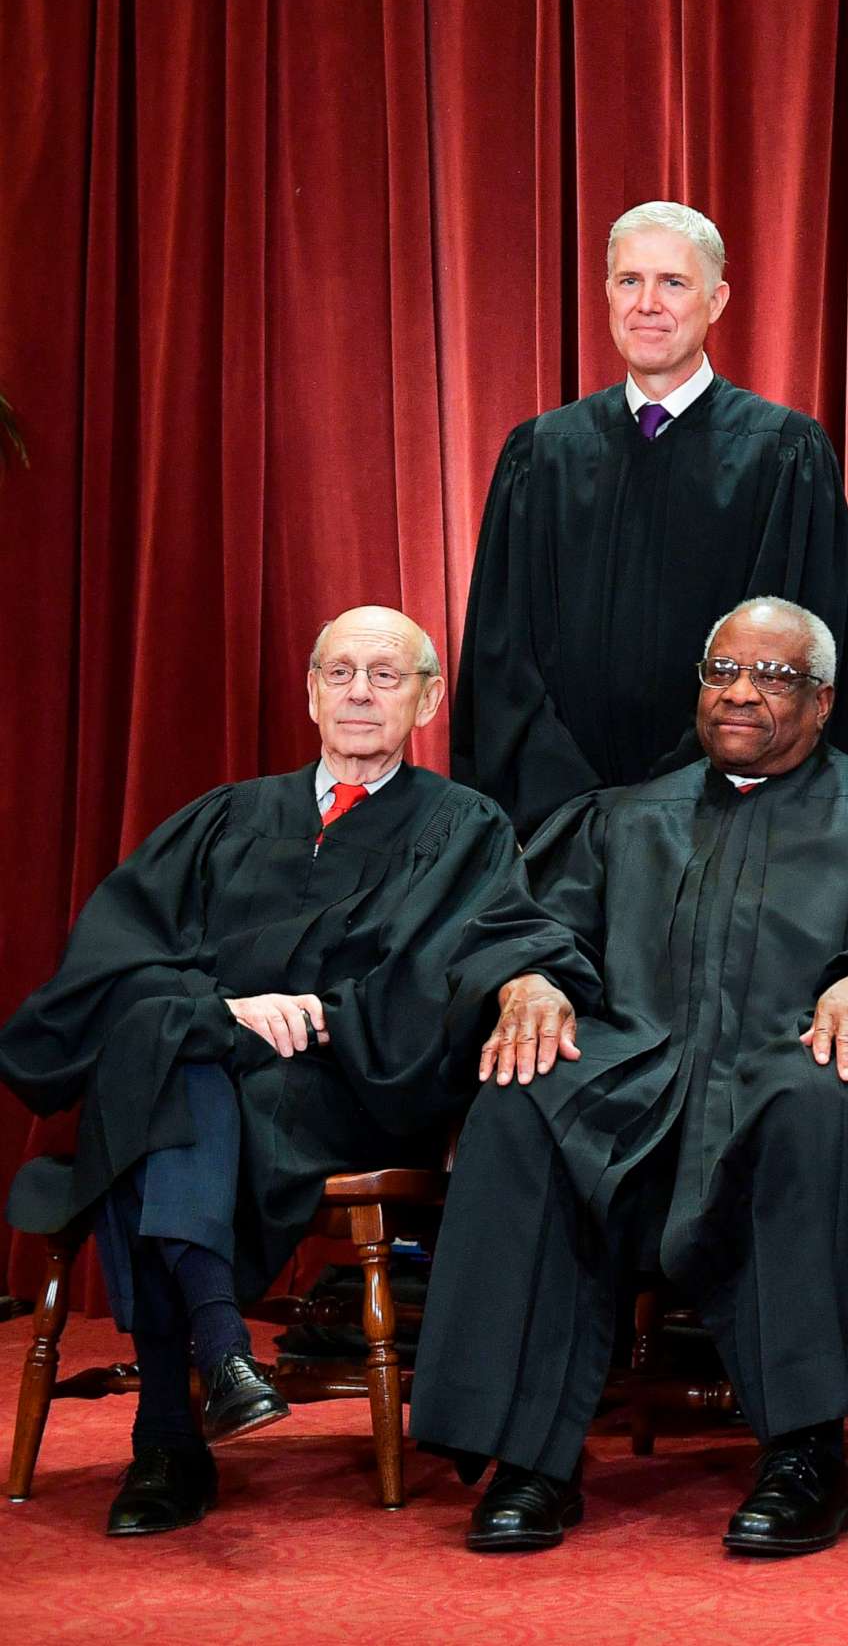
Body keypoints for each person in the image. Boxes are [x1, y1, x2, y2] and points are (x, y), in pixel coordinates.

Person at [407, 598, 848, 1557]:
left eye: (773, 676)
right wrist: (528, 979)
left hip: (793, 1070)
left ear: (822, 703)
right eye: (723, 670)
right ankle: (530, 1457)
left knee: (816, 1102)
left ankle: (803, 1454)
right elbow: (524, 926)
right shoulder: (619, 819)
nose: (740, 691)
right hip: (636, 1082)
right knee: (524, 1097)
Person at [0, 608, 518, 1537]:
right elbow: (108, 962)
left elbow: (434, 989)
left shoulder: (463, 829)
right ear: (311, 691)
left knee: (160, 1074)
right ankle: (221, 1356)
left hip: (342, 1086)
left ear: (429, 699)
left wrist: (310, 1015)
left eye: (386, 676)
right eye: (341, 673)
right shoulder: (227, 815)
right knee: (175, 1059)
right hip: (209, 1073)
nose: (360, 692)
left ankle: (167, 1435)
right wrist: (222, 1013)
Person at [452, 200, 848, 839]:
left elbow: (803, 651)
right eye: (630, 281)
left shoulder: (782, 452)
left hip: (736, 814)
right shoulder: (541, 453)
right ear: (606, 294)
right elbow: (501, 654)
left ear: (716, 300)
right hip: (558, 823)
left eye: (673, 283)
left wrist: (681, 791)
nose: (647, 303)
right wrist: (576, 804)